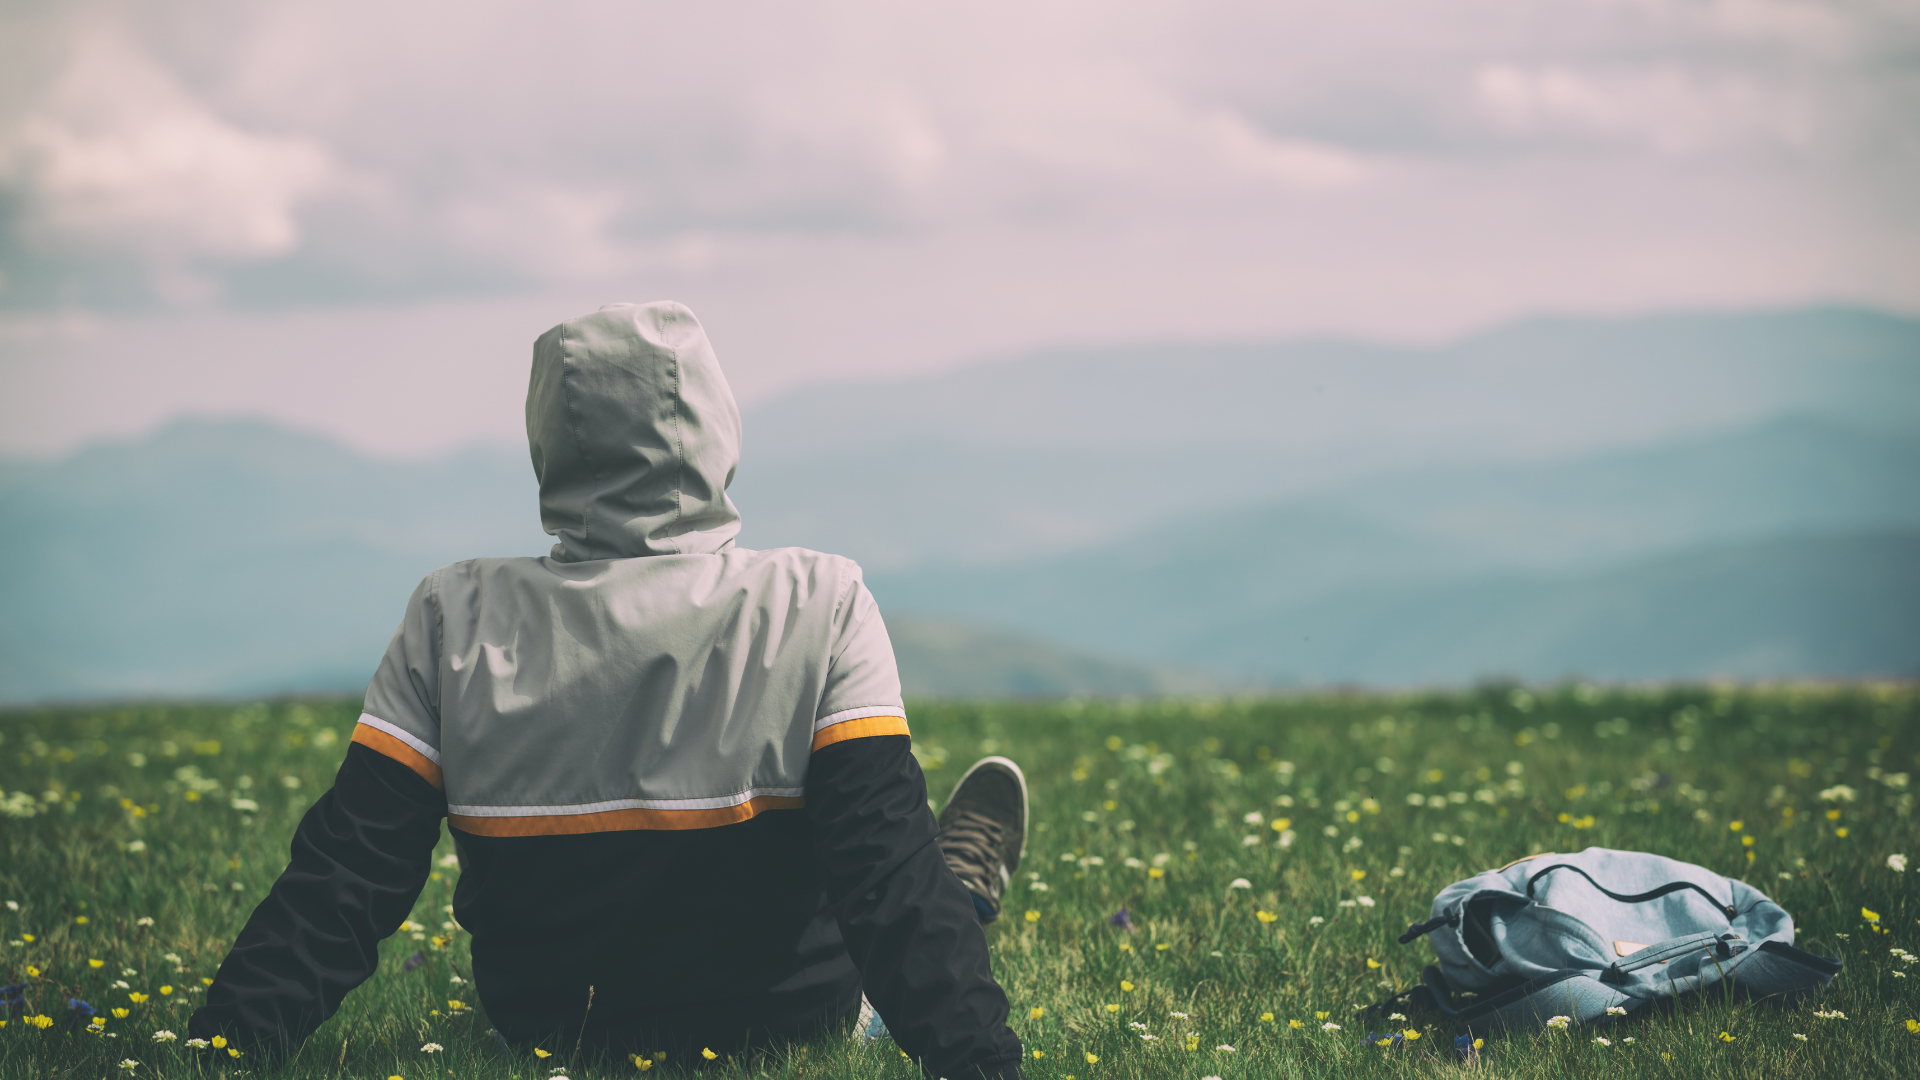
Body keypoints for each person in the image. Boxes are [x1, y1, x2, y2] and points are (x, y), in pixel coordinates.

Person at [187, 302, 1030, 1079]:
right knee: (915, 888)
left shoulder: (451, 618)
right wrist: (987, 1065)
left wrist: (220, 1047)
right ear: (717, 423)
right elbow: (882, 881)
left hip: (547, 1029)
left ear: (545, 437)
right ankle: (961, 882)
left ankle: (958, 878)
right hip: (790, 1022)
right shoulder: (821, 602)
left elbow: (346, 876)